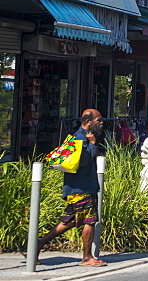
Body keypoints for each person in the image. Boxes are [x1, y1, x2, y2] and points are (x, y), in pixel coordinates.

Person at [36, 109, 106, 267]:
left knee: (67, 222)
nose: (101, 123)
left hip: (81, 187)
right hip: (81, 188)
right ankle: (87, 258)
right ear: (88, 122)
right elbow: (82, 162)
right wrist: (93, 145)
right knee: (90, 220)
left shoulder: (82, 137)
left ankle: (37, 245)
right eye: (98, 120)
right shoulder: (80, 139)